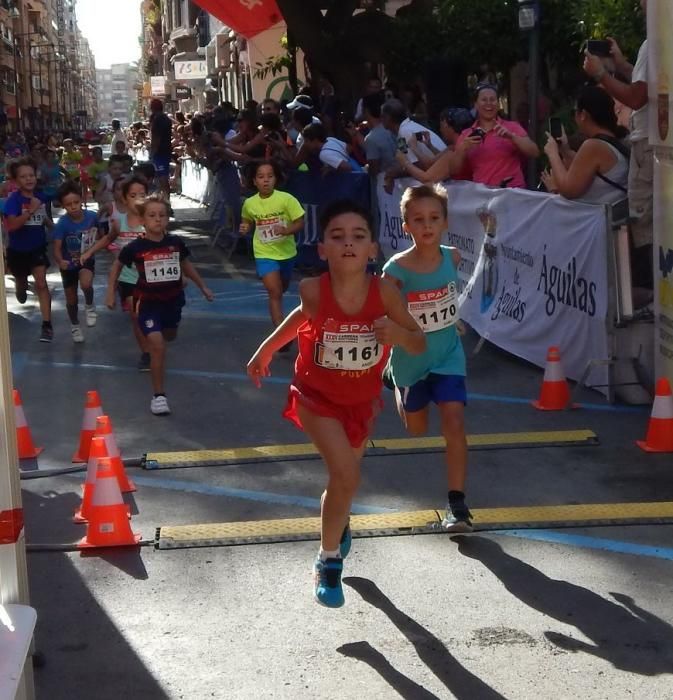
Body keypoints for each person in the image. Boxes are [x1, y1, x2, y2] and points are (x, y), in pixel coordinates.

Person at [246, 199, 426, 607]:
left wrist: (398, 336)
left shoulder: (385, 294)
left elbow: (418, 340)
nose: (348, 244)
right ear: (322, 248)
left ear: (372, 249)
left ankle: (338, 522)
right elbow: (299, 318)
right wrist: (266, 350)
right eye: (337, 236)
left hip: (360, 402)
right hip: (316, 398)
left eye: (358, 236)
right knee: (346, 474)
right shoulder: (313, 290)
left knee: (343, 482)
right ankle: (327, 563)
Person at [382, 184, 471, 531]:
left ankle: (457, 504)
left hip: (448, 355)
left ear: (446, 222)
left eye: (434, 218)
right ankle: (394, 380)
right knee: (416, 429)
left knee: (454, 421)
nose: (427, 225)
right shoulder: (396, 270)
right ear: (406, 227)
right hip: (411, 360)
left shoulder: (453, 257)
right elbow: (382, 309)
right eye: (418, 220)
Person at [105, 194, 214, 415]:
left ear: (168, 219)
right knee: (157, 346)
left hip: (172, 301)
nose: (158, 219)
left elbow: (186, 265)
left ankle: (165, 334)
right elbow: (116, 266)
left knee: (170, 335)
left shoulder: (175, 243)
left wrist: (202, 286)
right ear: (143, 220)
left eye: (162, 215)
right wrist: (110, 293)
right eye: (152, 216)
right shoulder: (135, 247)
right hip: (147, 303)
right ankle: (159, 396)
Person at [583, 0, 652, 297]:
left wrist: (600, 75)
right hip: (655, 143)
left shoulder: (655, 43)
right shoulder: (658, 44)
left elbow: (637, 97)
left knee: (645, 223)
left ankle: (650, 295)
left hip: (650, 145)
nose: (641, 6)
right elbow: (646, 83)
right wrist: (622, 64)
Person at [84, 176, 150, 369]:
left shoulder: (153, 219)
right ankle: (146, 353)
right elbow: (107, 240)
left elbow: (169, 246)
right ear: (124, 198)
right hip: (128, 277)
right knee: (136, 316)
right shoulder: (119, 222)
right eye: (133, 195)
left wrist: (179, 274)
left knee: (155, 318)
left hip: (152, 278)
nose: (138, 198)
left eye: (142, 194)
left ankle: (155, 341)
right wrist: (89, 252)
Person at [240, 161, 305, 340]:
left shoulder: (286, 199)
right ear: (254, 181)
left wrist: (286, 230)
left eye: (270, 176)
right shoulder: (250, 203)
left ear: (275, 179)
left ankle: (280, 327)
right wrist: (245, 227)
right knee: (274, 292)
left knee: (281, 287)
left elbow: (300, 221)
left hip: (286, 253)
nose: (266, 181)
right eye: (261, 177)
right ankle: (281, 335)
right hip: (264, 253)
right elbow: (247, 220)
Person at [542, 85, 629, 205]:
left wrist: (553, 154)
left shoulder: (594, 146)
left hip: (601, 221)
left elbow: (568, 190)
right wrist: (564, 150)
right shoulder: (610, 141)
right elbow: (583, 169)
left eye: (574, 111)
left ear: (583, 114)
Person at [453, 83, 539, 188]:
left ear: (498, 104)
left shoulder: (512, 127)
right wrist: (462, 148)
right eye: (484, 100)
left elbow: (534, 152)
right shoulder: (466, 134)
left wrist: (511, 137)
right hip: (483, 195)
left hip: (512, 192)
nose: (489, 103)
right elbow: (454, 171)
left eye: (492, 100)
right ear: (475, 104)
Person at [4, 158, 53, 341]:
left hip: (37, 248)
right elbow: (12, 226)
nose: (28, 179)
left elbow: (46, 215)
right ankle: (20, 286)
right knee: (22, 286)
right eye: (23, 177)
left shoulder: (41, 196)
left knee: (41, 283)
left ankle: (47, 325)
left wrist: (56, 230)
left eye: (31, 175)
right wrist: (30, 211)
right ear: (16, 181)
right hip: (17, 250)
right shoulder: (13, 200)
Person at [51, 181, 99, 343]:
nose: (73, 207)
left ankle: (90, 305)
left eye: (76, 202)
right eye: (69, 204)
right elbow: (56, 248)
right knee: (71, 300)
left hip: (86, 259)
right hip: (68, 265)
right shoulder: (62, 224)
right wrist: (60, 260)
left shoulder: (92, 217)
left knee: (86, 284)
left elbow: (101, 235)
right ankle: (75, 326)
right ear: (63, 206)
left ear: (82, 199)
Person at [394, 107, 474, 184]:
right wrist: (430, 146)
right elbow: (436, 161)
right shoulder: (456, 147)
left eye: (441, 125)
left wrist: (405, 161)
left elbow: (427, 176)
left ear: (446, 125)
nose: (440, 129)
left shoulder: (455, 151)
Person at [149, 99, 173, 200]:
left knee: (162, 178)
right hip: (166, 150)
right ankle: (164, 199)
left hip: (160, 152)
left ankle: (166, 201)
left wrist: (152, 152)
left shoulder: (158, 120)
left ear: (152, 107)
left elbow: (156, 138)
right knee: (162, 177)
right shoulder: (166, 119)